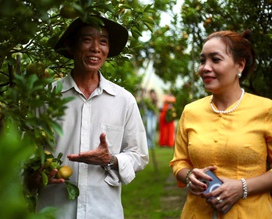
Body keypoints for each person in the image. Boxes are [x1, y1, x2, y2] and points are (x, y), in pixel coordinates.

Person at [25, 15, 149, 219]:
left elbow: (139, 154)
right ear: (71, 46)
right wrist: (34, 177)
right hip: (55, 211)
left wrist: (110, 159)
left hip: (104, 211)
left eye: (103, 41)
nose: (95, 48)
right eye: (87, 40)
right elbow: (25, 152)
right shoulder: (45, 98)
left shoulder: (123, 100)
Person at [169, 29, 272, 218]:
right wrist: (189, 176)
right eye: (202, 61)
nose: (205, 68)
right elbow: (179, 162)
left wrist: (242, 187)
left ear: (239, 65)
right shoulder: (191, 111)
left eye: (215, 60)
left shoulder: (266, 110)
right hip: (196, 213)